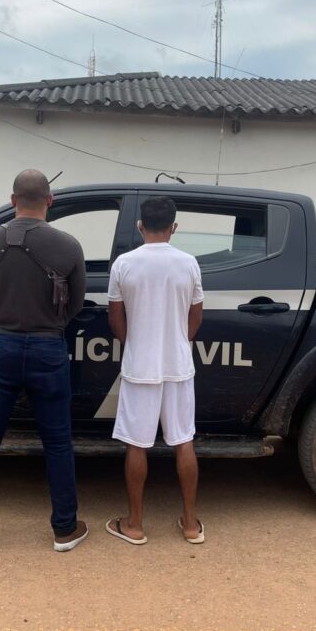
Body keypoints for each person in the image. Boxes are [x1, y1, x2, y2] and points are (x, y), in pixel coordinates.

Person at [0, 169, 88, 553]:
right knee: (57, 441)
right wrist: (50, 325)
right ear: (50, 201)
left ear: (12, 201)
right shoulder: (69, 245)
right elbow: (76, 303)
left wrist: (0, 321)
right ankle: (65, 529)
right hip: (48, 348)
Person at [105, 196, 205, 546]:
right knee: (183, 441)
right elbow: (196, 316)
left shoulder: (124, 264)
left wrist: (133, 344)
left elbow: (115, 318)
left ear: (139, 226)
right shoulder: (189, 263)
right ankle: (190, 525)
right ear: (174, 227)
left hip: (139, 366)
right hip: (179, 365)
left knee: (137, 444)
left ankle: (134, 525)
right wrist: (178, 341)